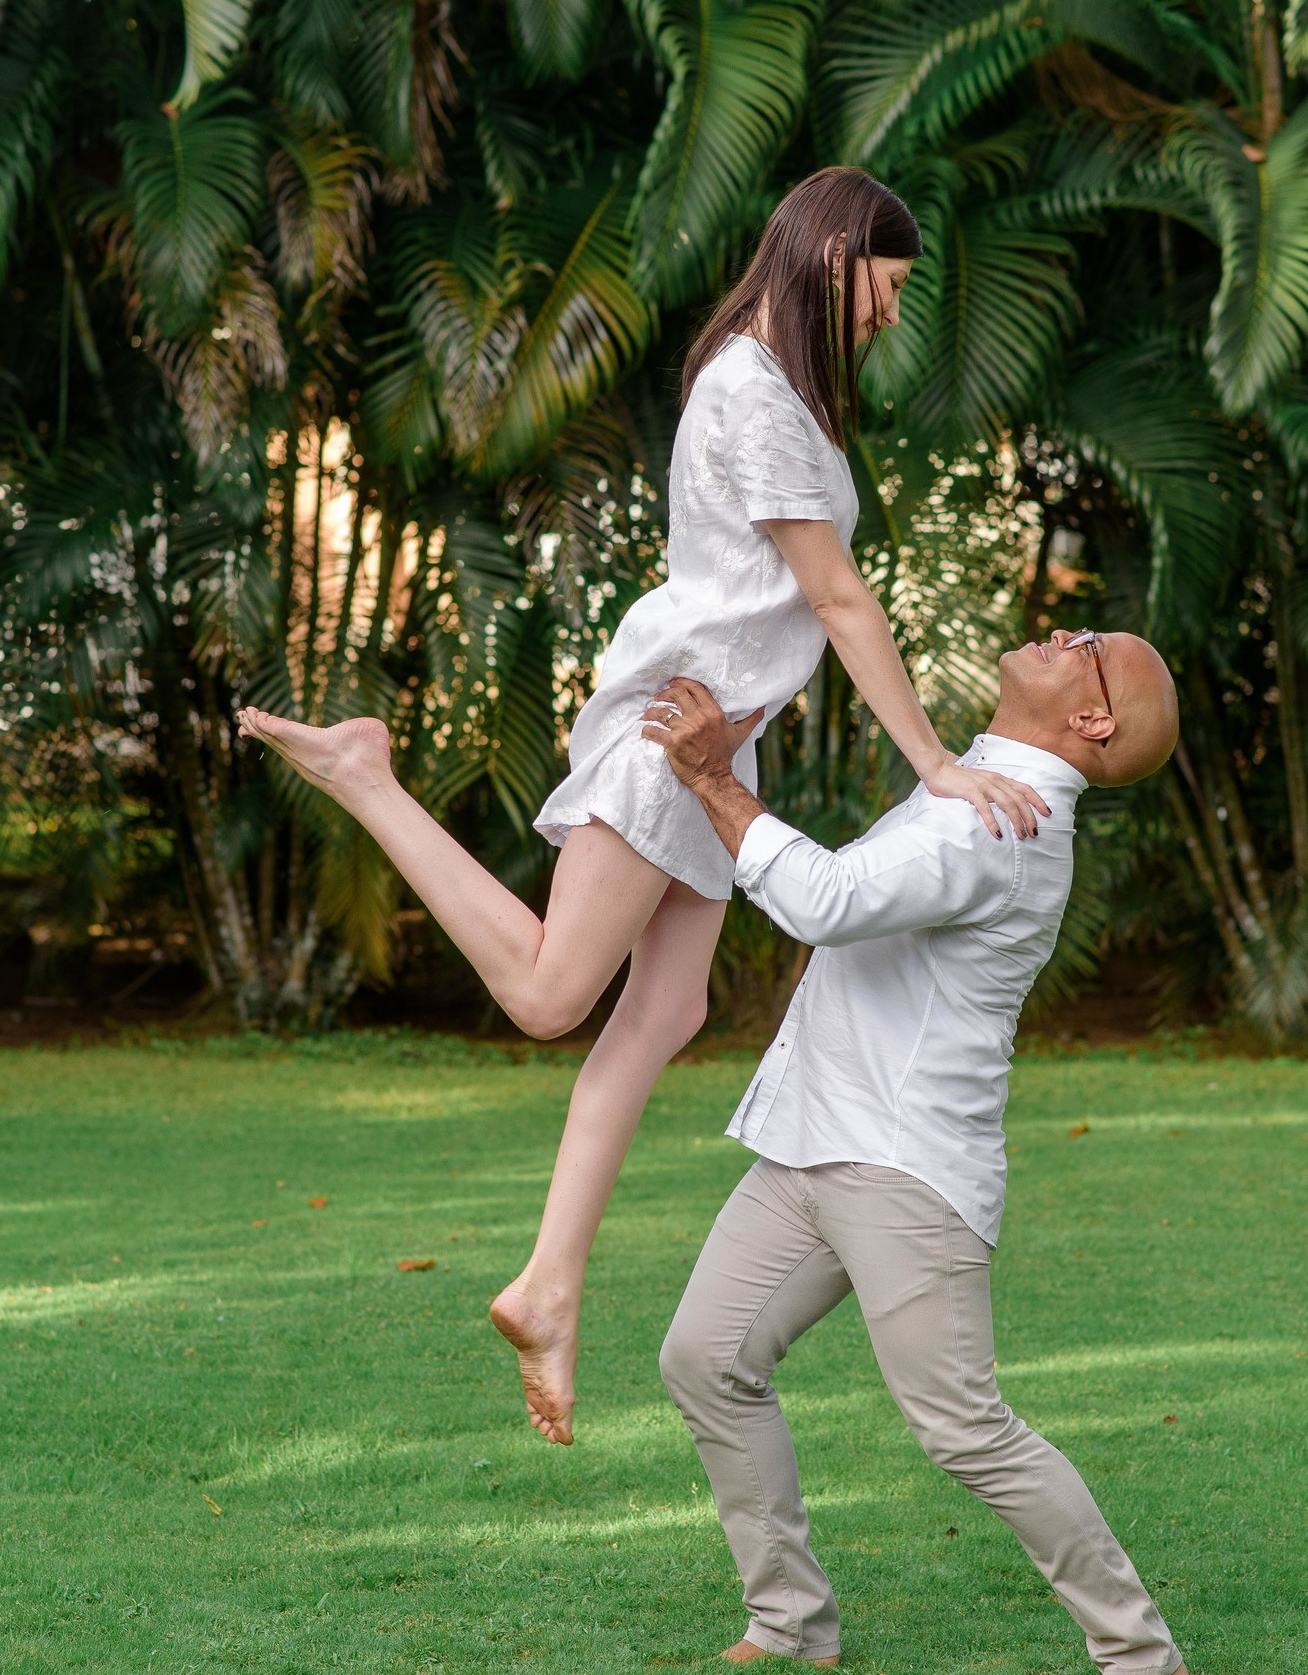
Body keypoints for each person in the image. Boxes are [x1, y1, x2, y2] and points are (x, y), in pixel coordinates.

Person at [237, 167, 1048, 1446]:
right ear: (836, 258)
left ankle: (548, 1284)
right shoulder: (759, 392)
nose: (892, 319)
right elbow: (837, 605)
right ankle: (367, 776)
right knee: (555, 992)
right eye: (887, 292)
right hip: (676, 736)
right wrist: (938, 763)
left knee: (663, 1009)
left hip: (717, 742)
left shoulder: (769, 384)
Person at [637, 627, 1190, 1674]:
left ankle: (1141, 1658)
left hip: (901, 1168)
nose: (1063, 633)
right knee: (706, 1358)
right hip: (816, 1140)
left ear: (1093, 720)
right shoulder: (976, 783)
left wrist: (710, 775)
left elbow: (825, 901)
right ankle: (792, 1625)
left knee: (964, 1426)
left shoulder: (1001, 822)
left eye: (1091, 649)